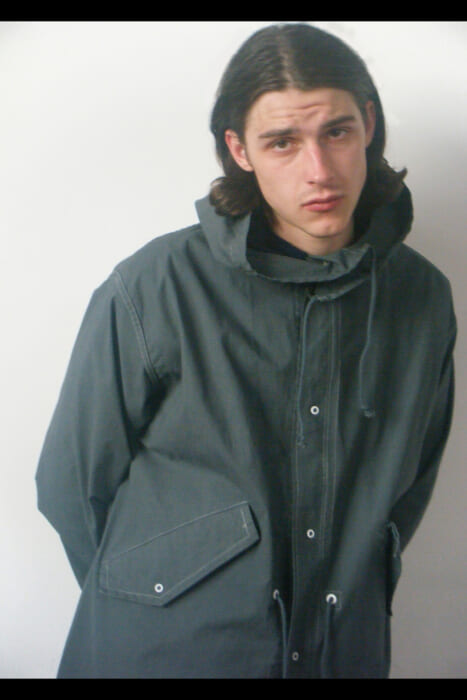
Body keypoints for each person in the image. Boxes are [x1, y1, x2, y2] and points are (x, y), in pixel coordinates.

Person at [36, 23, 456, 678]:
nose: (319, 171)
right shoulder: (155, 286)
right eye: (282, 142)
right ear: (239, 150)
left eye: (337, 132)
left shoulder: (421, 298)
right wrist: (162, 602)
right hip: (168, 656)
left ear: (368, 125)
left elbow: (406, 489)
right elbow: (71, 485)